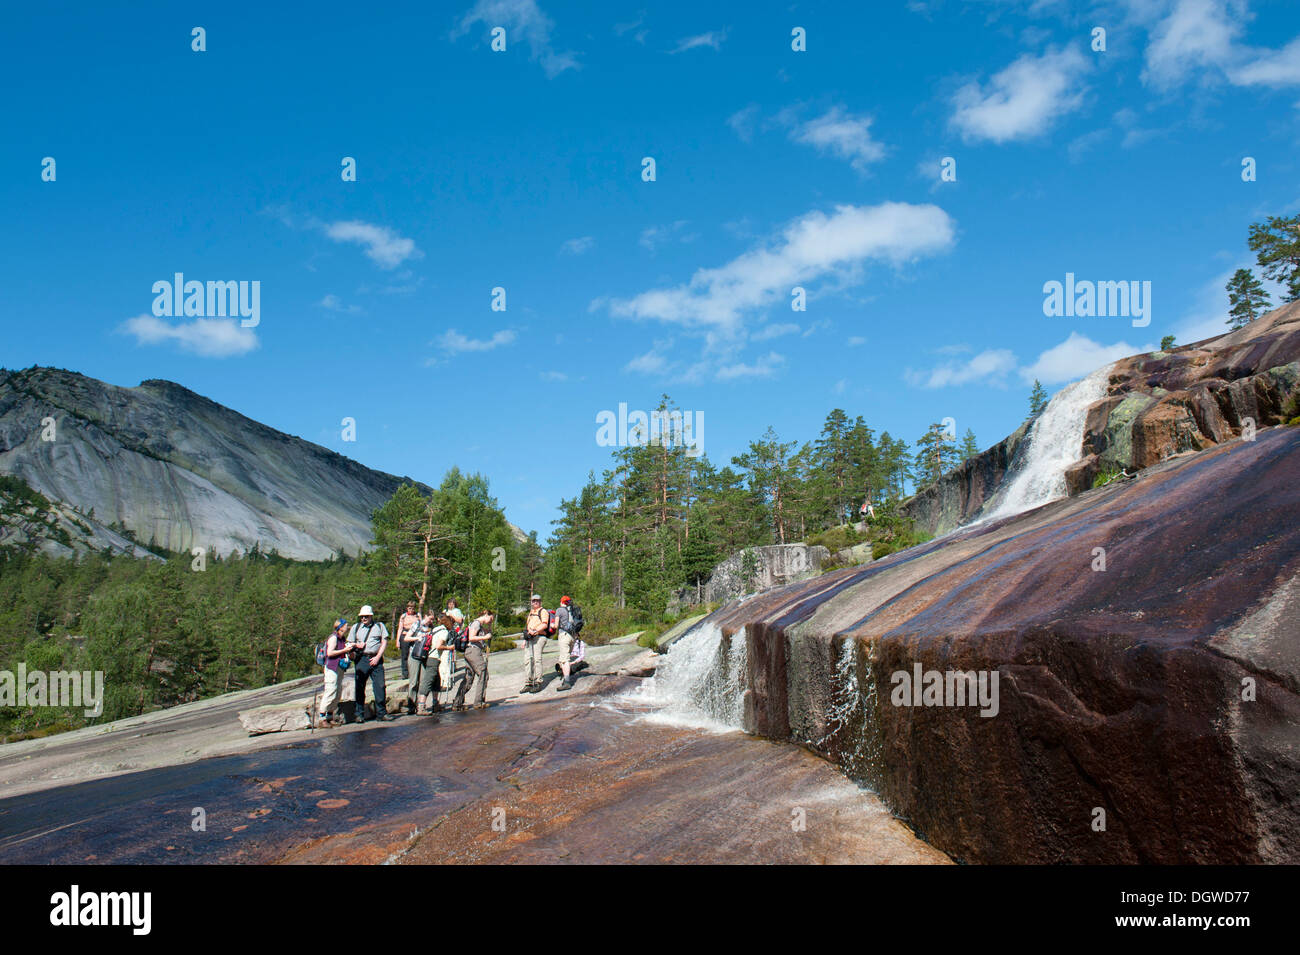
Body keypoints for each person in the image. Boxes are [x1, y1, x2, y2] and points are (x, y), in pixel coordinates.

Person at [350, 605, 394, 722]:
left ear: (371, 616)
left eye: (366, 616)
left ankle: (381, 713)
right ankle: (359, 714)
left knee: (380, 686)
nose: (363, 618)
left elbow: (384, 642)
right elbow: (349, 644)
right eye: (362, 616)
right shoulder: (356, 627)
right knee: (360, 687)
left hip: (376, 658)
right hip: (362, 659)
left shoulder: (379, 626)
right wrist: (356, 645)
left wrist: (378, 657)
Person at [406, 612, 449, 715]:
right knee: (414, 682)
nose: (432, 621)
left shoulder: (432, 628)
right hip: (415, 654)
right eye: (430, 618)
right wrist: (417, 638)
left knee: (424, 680)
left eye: (433, 619)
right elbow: (406, 638)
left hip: (425, 656)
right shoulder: (417, 625)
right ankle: (413, 707)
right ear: (425, 616)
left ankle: (424, 705)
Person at [452, 609, 494, 711]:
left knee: (468, 678)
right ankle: (478, 702)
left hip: (471, 652)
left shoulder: (478, 624)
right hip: (473, 651)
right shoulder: (476, 623)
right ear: (486, 614)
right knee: (483, 674)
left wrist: (488, 628)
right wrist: (484, 637)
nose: (491, 621)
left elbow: (488, 633)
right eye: (491, 619)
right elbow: (471, 637)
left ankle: (457, 703)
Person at [318, 618, 351, 726]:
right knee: (330, 691)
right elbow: (330, 653)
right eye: (345, 625)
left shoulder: (342, 638)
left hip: (339, 667)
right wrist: (344, 650)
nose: (347, 627)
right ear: (340, 627)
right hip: (331, 667)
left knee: (337, 692)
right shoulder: (333, 638)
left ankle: (330, 716)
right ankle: (322, 718)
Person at [522, 594, 550, 693]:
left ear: (540, 601)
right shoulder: (531, 613)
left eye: (537, 601)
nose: (535, 602)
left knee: (537, 659)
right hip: (530, 639)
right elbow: (527, 627)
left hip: (539, 637)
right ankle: (528, 683)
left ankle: (538, 682)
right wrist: (525, 640)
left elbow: (544, 624)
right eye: (533, 601)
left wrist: (535, 630)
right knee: (528, 660)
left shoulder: (543, 611)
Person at [554, 596, 576, 692]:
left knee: (564, 660)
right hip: (572, 637)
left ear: (561, 602)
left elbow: (555, 625)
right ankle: (565, 676)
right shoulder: (572, 611)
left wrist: (551, 625)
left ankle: (567, 682)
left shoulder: (559, 610)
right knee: (567, 657)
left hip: (564, 635)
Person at [396, 601, 421, 680]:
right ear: (407, 608)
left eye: (413, 608)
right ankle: (405, 673)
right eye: (409, 608)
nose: (411, 610)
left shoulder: (417, 615)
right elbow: (400, 628)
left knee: (416, 653)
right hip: (404, 635)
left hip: (415, 636)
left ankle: (415, 672)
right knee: (404, 655)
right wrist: (397, 641)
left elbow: (421, 625)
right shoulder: (403, 616)